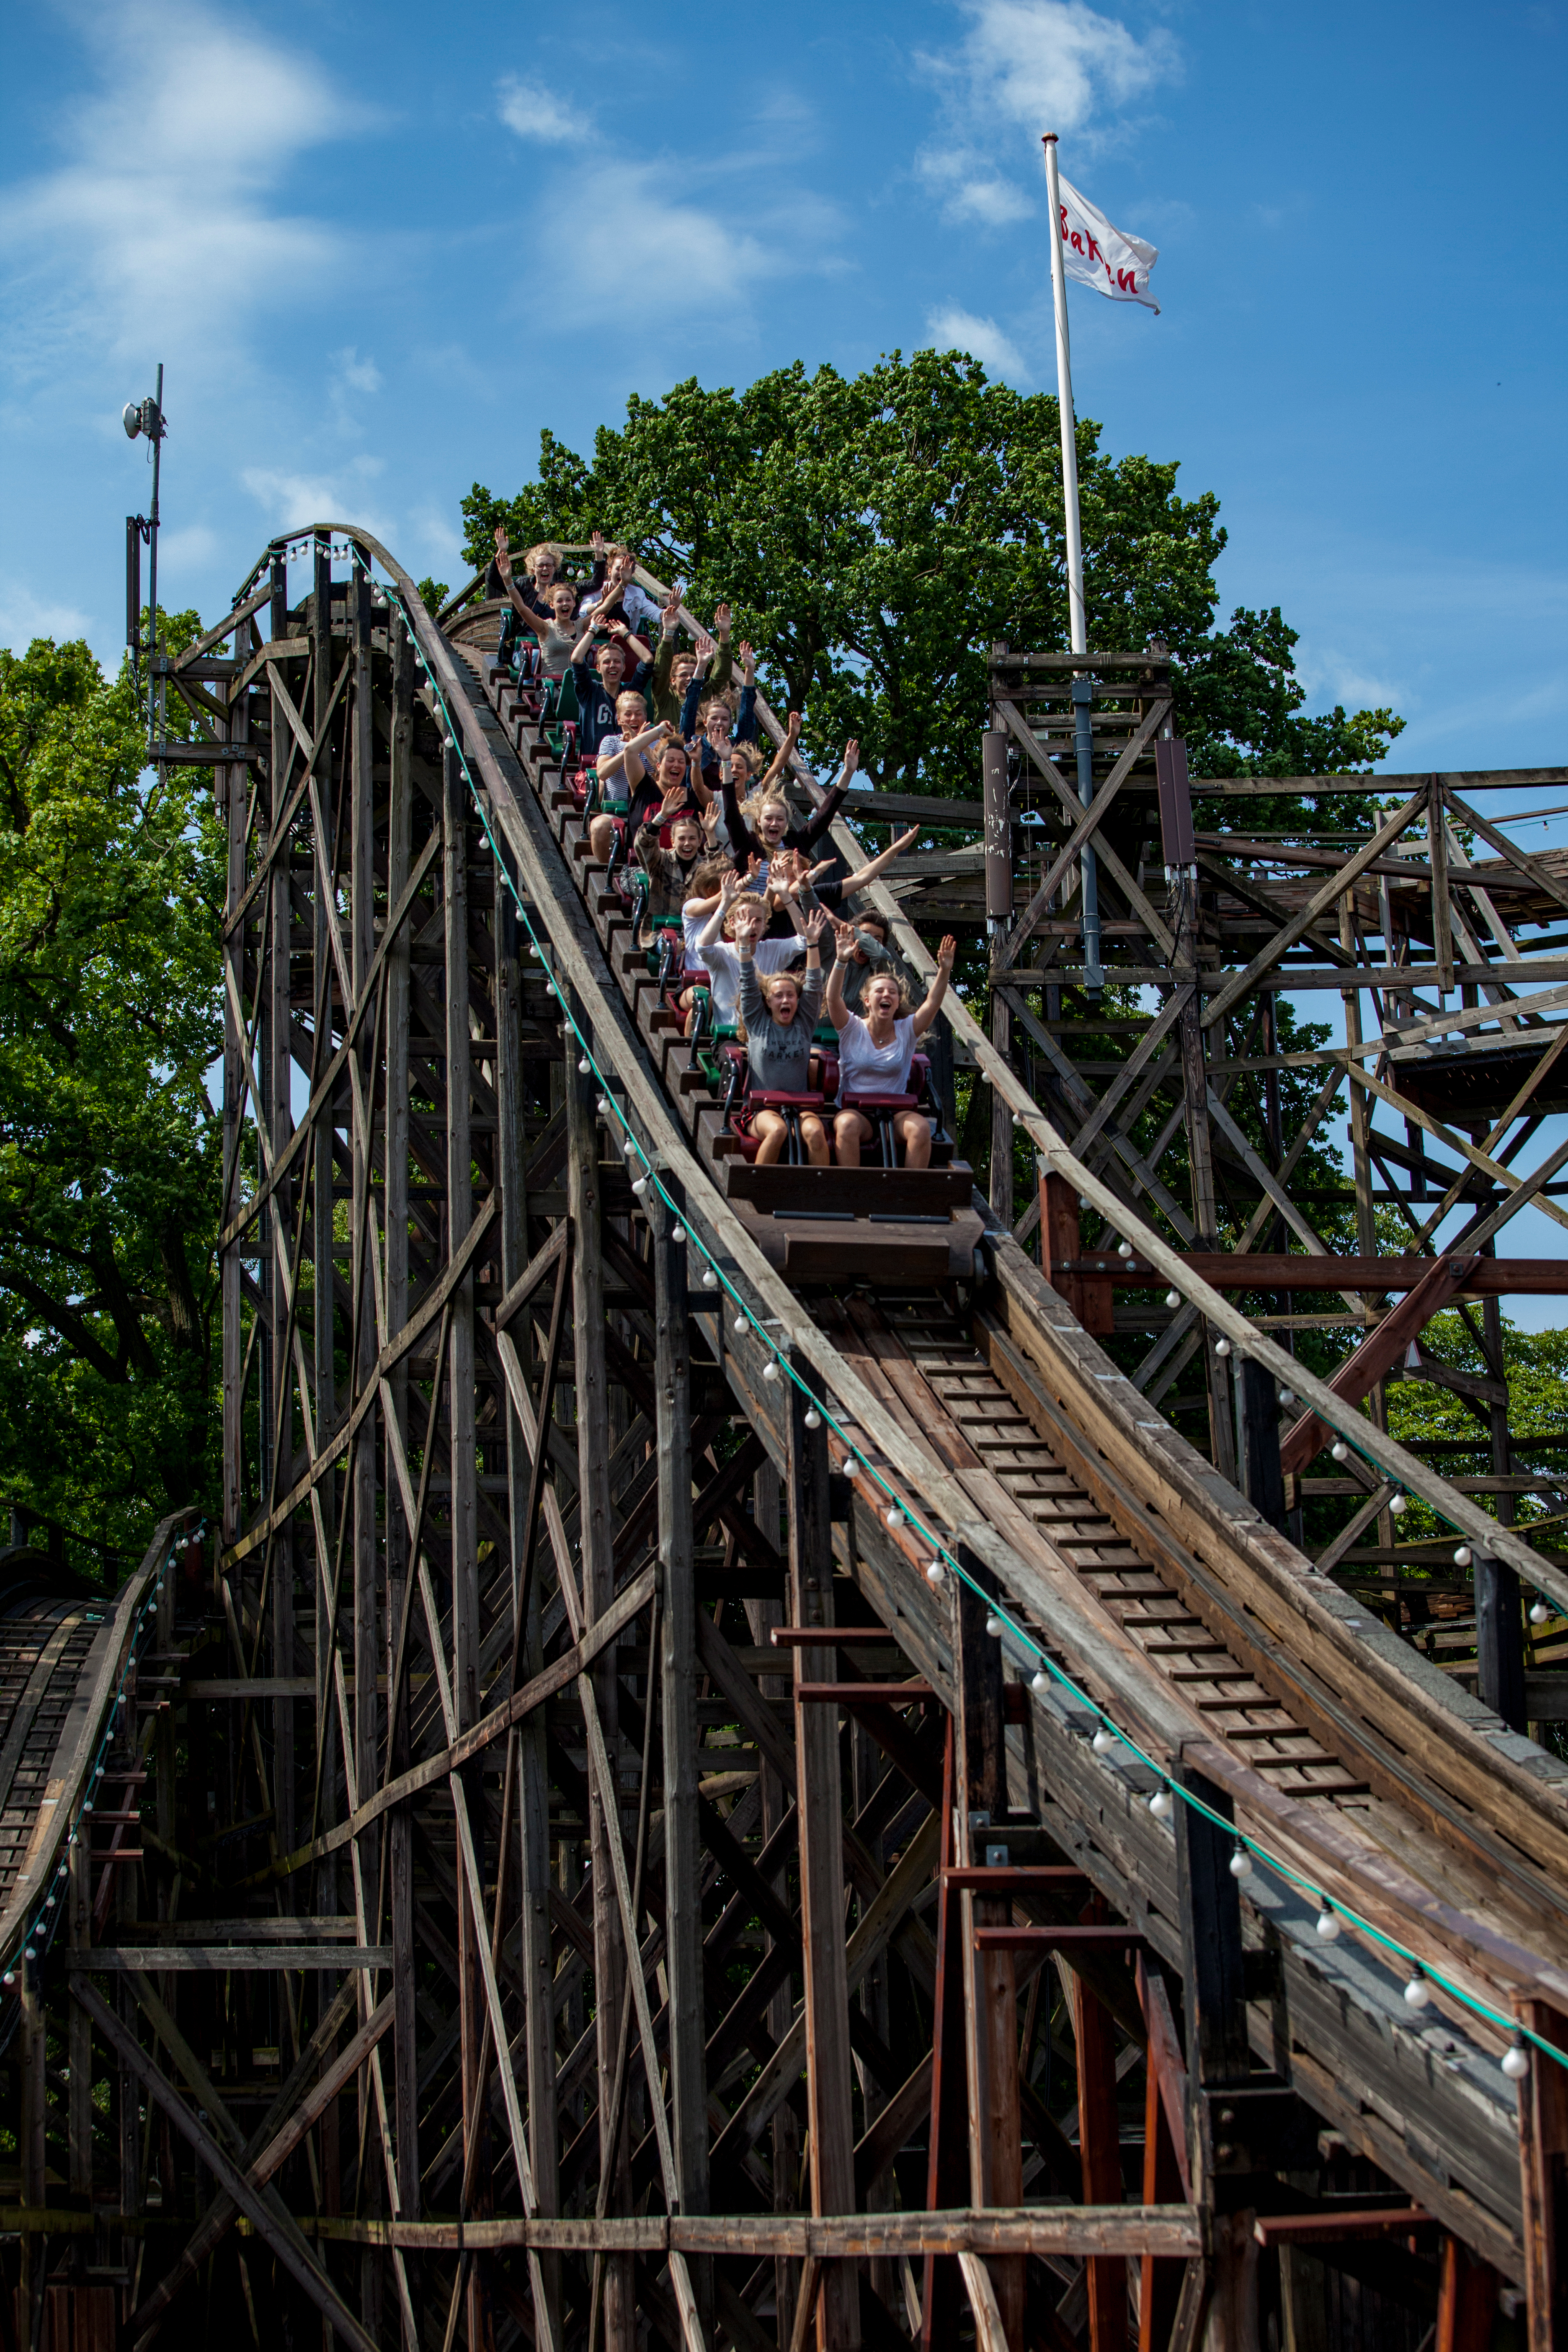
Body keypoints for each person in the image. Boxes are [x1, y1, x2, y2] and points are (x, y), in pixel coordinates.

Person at [825, 926, 956, 1169]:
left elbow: (932, 1004)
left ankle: (908, 1190)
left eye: (892, 993)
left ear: (897, 1003)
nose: (886, 995)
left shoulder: (906, 1030)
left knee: (920, 1128)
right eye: (880, 991)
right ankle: (852, 1187)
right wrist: (841, 961)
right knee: (846, 1125)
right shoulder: (852, 1028)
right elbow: (833, 999)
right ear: (867, 1001)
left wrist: (944, 971)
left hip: (895, 1114)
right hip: (857, 1113)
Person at [736, 906, 830, 1166]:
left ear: (798, 1001)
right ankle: (759, 1183)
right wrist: (743, 944)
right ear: (768, 1001)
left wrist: (812, 944)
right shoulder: (758, 1023)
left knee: (815, 1132)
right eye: (779, 996)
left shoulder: (804, 1024)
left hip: (800, 1106)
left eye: (791, 995)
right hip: (761, 1109)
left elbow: (814, 985)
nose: (785, 1000)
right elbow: (748, 982)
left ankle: (822, 1187)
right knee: (777, 1130)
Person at [686, 866, 802, 1032]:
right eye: (745, 919)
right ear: (732, 923)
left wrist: (785, 896)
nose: (751, 926)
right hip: (729, 1035)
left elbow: (806, 939)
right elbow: (702, 946)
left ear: (765, 925)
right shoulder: (722, 952)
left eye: (758, 921)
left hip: (765, 1035)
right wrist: (725, 903)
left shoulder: (773, 949)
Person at [721, 739, 860, 874]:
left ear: (787, 823)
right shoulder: (748, 844)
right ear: (759, 821)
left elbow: (825, 815)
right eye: (769, 818)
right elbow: (731, 812)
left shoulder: (796, 844)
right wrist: (726, 762)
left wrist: (848, 772)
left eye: (780, 819)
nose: (774, 823)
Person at [569, 618, 653, 762]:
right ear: (598, 668)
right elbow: (576, 659)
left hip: (628, 763)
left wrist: (625, 633)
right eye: (607, 662)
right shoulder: (590, 691)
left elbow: (648, 659)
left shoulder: (631, 692)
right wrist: (593, 630)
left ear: (624, 667)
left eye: (617, 662)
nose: (612, 665)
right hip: (594, 763)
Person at [634, 787, 708, 932]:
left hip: (696, 933)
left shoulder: (705, 866)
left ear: (700, 841)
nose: (687, 844)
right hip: (659, 932)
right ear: (673, 842)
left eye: (692, 839)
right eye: (682, 839)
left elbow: (721, 871)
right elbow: (643, 843)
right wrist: (662, 815)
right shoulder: (661, 860)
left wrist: (710, 834)